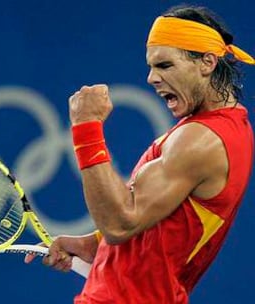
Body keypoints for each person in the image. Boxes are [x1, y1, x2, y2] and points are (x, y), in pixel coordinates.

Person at [25, 4, 254, 303]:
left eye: (165, 65)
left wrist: (86, 127)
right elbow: (159, 227)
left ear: (207, 63)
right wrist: (93, 243)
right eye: (151, 66)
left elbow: (121, 223)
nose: (151, 78)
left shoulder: (202, 140)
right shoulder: (216, 129)